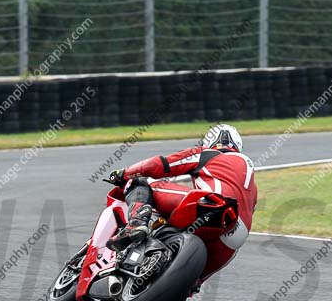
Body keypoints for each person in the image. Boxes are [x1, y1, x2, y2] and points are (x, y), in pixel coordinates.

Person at [106, 123, 257, 287]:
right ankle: (190, 286)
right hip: (235, 238)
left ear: (210, 141)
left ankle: (137, 223)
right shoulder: (251, 182)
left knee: (139, 182)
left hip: (212, 206)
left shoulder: (208, 154)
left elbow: (160, 165)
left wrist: (124, 173)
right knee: (191, 285)